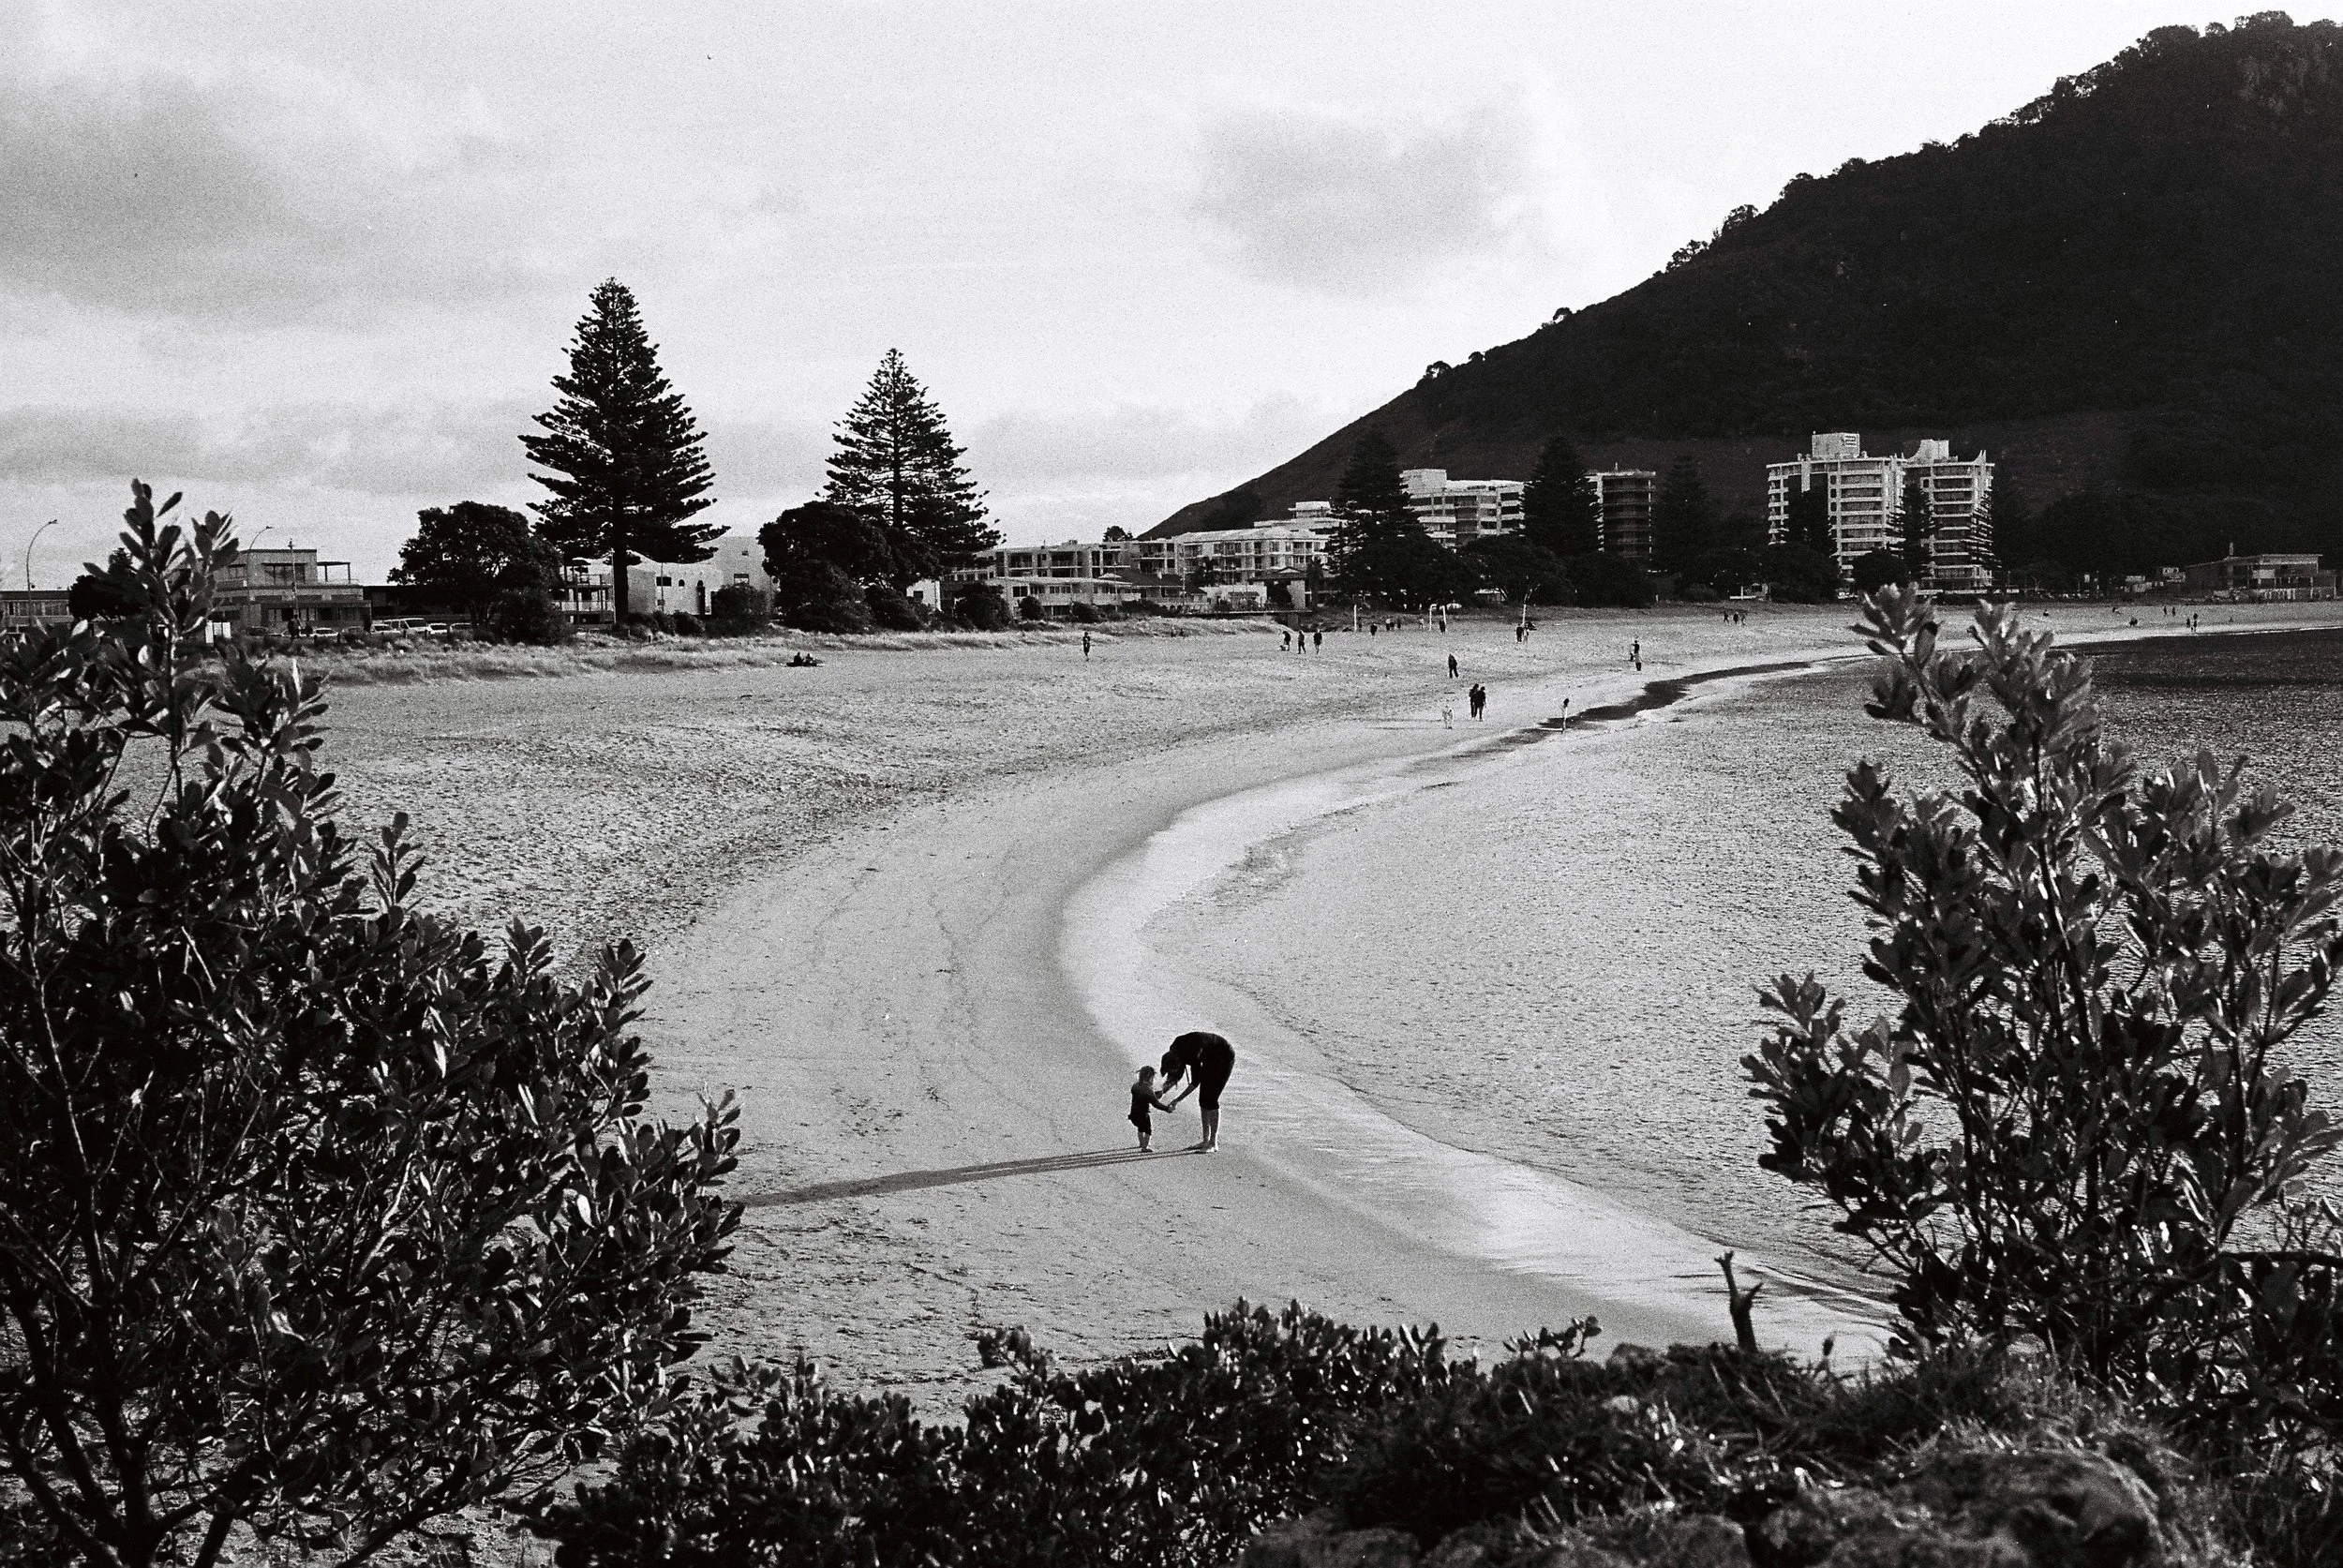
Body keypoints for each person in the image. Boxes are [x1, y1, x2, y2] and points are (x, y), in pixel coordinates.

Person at [1159, 1030, 1235, 1151]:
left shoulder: (1192, 1054)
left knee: (1211, 1099)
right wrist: (1163, 1091)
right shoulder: (1174, 1049)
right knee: (1203, 1100)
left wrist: (1177, 1100)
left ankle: (1213, 1143)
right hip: (1209, 1058)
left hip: (1224, 1057)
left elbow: (1195, 1082)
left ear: (1178, 1062)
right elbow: (1176, 1075)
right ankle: (1205, 1141)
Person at [1128, 1065, 1178, 1152]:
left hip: (1133, 1113)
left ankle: (1141, 1143)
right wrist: (1167, 1108)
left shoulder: (1135, 1086)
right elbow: (1156, 1103)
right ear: (1150, 1078)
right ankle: (1145, 1147)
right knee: (1148, 1130)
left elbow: (1146, 1096)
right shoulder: (1148, 1090)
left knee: (1140, 1128)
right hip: (1143, 1114)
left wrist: (1157, 1094)